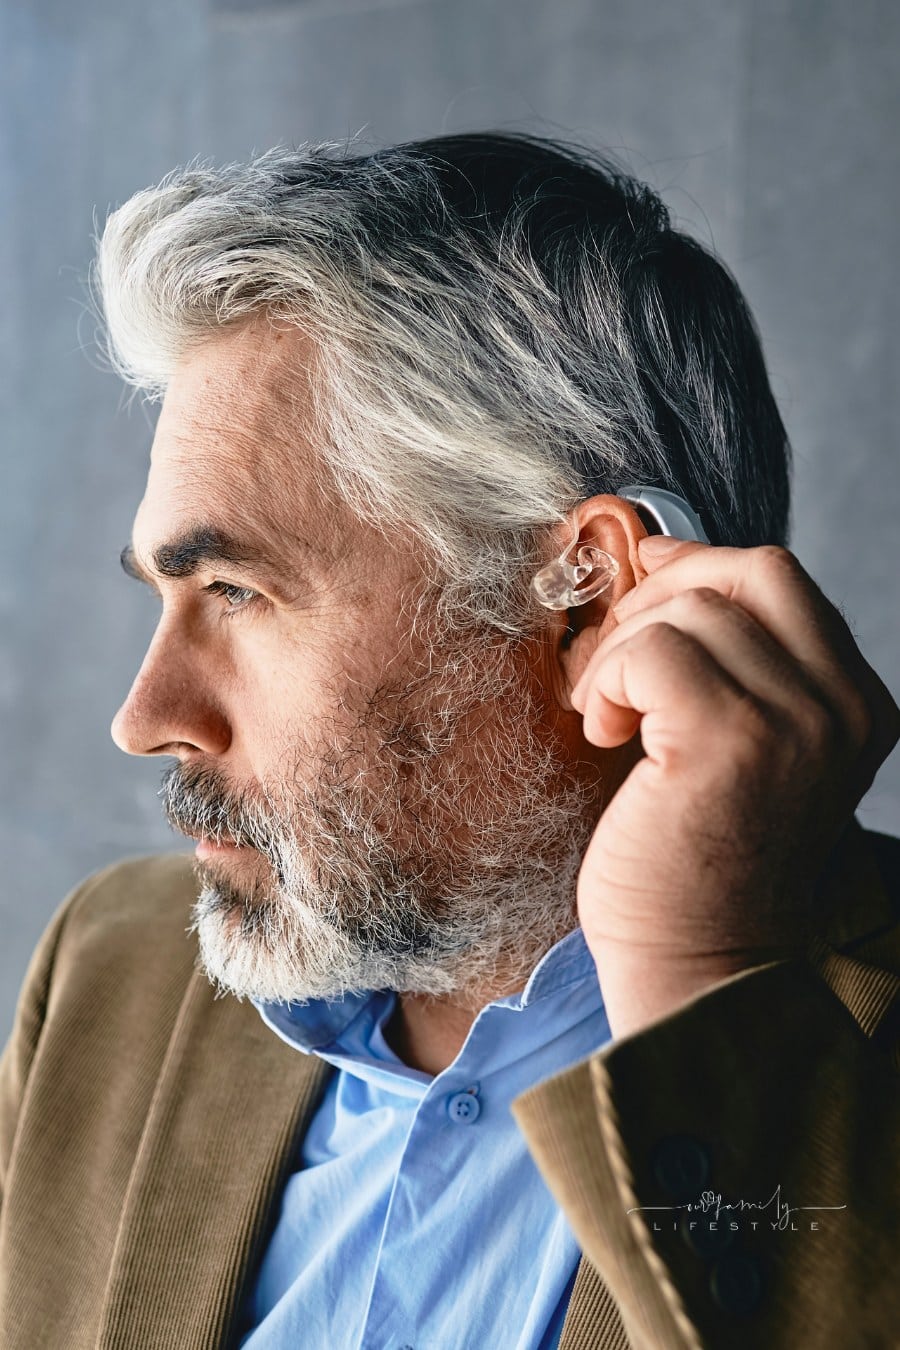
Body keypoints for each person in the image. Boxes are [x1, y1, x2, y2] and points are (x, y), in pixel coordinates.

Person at [1, 131, 898, 1350]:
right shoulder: (110, 981)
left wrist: (703, 975)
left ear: (587, 591)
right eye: (164, 597)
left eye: (238, 594)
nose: (145, 715)